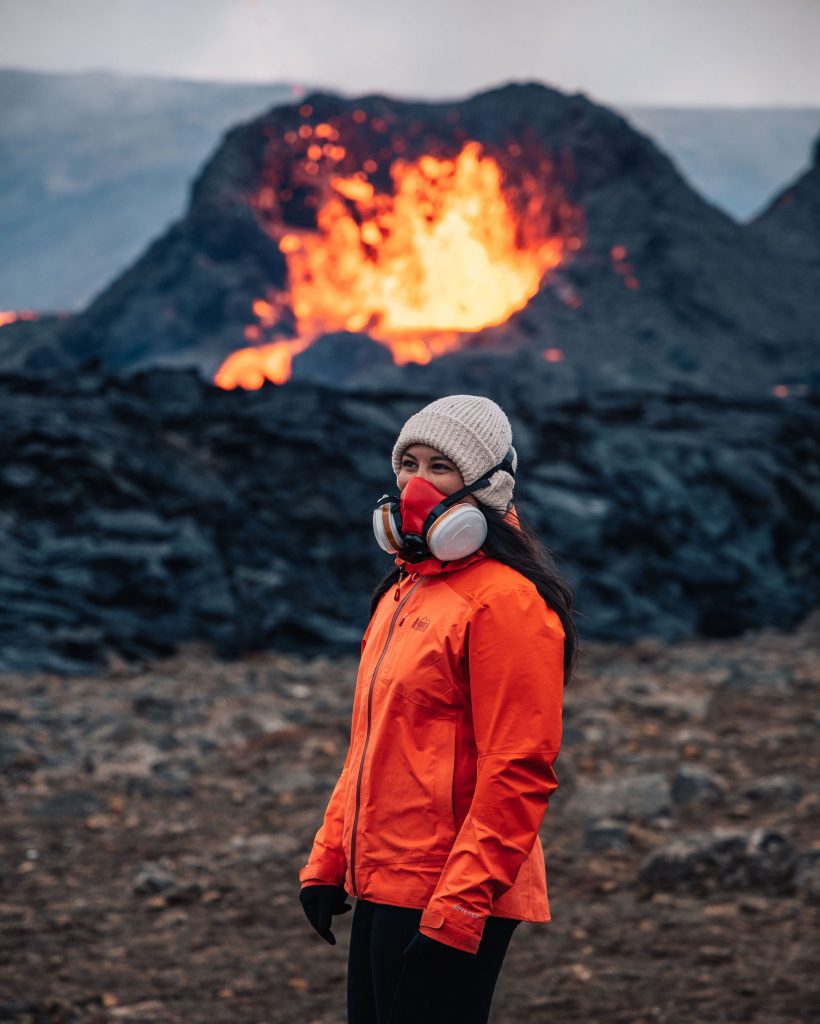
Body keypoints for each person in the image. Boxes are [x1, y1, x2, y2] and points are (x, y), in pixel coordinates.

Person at [298, 394, 579, 1024]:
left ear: (487, 487)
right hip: (385, 877)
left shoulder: (505, 602)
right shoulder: (404, 591)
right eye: (407, 464)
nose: (414, 484)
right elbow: (371, 745)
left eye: (440, 468)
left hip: (449, 891)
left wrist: (460, 908)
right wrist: (327, 860)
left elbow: (519, 771)